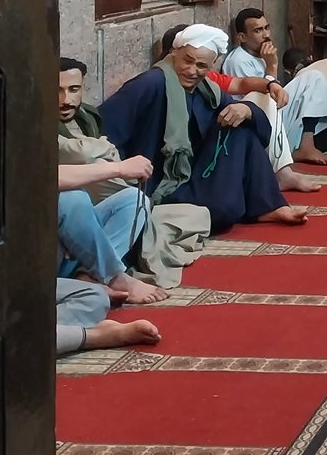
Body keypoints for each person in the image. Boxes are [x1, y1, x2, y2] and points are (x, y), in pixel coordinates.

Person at [101, 24, 306, 232]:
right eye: (187, 61)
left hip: (195, 172)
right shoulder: (151, 83)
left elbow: (258, 127)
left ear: (210, 67)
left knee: (242, 125)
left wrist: (246, 109)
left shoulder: (206, 89)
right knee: (225, 211)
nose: (192, 71)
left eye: (201, 65)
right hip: (163, 184)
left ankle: (268, 206)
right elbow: (103, 130)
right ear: (174, 53)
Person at [57, 57, 166, 306]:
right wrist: (115, 165)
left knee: (134, 199)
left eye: (73, 89)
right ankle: (116, 277)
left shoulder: (86, 116)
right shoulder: (30, 124)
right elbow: (50, 175)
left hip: (78, 229)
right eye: (57, 90)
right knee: (73, 198)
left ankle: (91, 276)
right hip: (47, 235)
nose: (66, 99)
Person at [219, 9, 327, 176]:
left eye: (267, 28)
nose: (265, 35)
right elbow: (259, 102)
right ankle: (305, 146)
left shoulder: (261, 55)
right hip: (260, 125)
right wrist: (272, 67)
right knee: (313, 77)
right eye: (258, 31)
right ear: (242, 37)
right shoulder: (238, 61)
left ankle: (304, 145)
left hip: (276, 115)